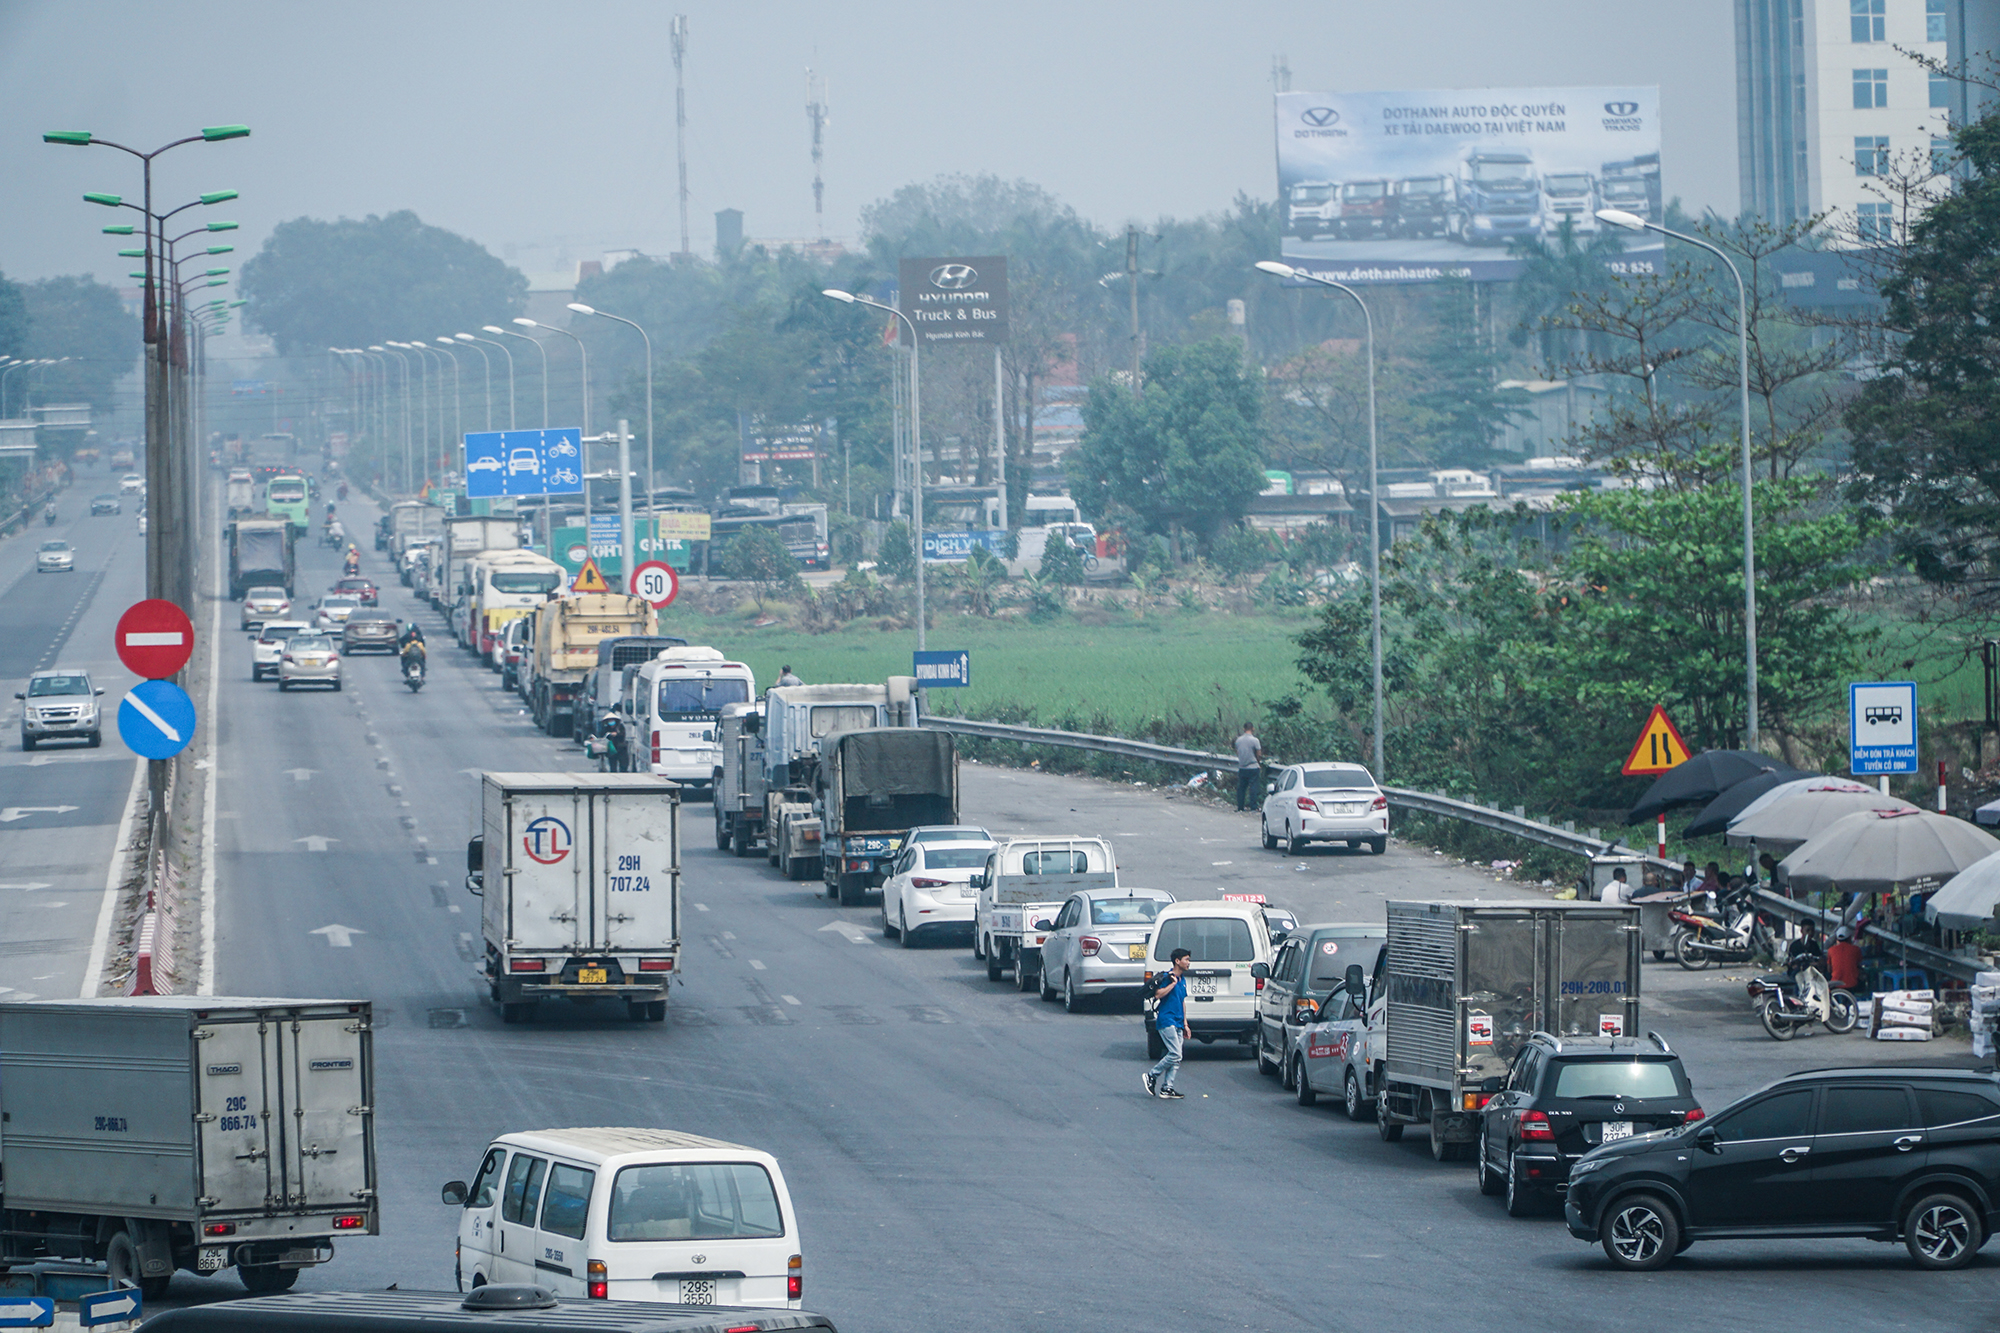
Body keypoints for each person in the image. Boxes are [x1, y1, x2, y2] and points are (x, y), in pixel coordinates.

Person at [1144, 948, 1193, 1100]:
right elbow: (1158, 994)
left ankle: (1167, 1088)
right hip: (1166, 1020)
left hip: (1178, 1021)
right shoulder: (1167, 977)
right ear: (1177, 961)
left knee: (1177, 1057)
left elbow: (1182, 1002)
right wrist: (1172, 984)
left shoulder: (1183, 979)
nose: (1189, 963)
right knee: (1175, 1053)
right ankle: (1152, 1075)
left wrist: (1185, 1024)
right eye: (1186, 959)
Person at [1233, 722, 1264, 812]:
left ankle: (1240, 807)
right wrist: (1258, 763)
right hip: (1253, 766)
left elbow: (1238, 752)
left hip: (1242, 767)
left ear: (1244, 729)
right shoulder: (1255, 740)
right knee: (1253, 787)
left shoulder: (1238, 740)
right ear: (1253, 729)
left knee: (1241, 788)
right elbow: (1259, 754)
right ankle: (1253, 807)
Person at [1827, 926, 1864, 991]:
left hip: (1835, 985)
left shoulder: (1831, 950)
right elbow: (1859, 964)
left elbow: (1829, 969)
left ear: (1837, 939)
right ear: (1850, 938)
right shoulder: (1856, 949)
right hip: (1852, 984)